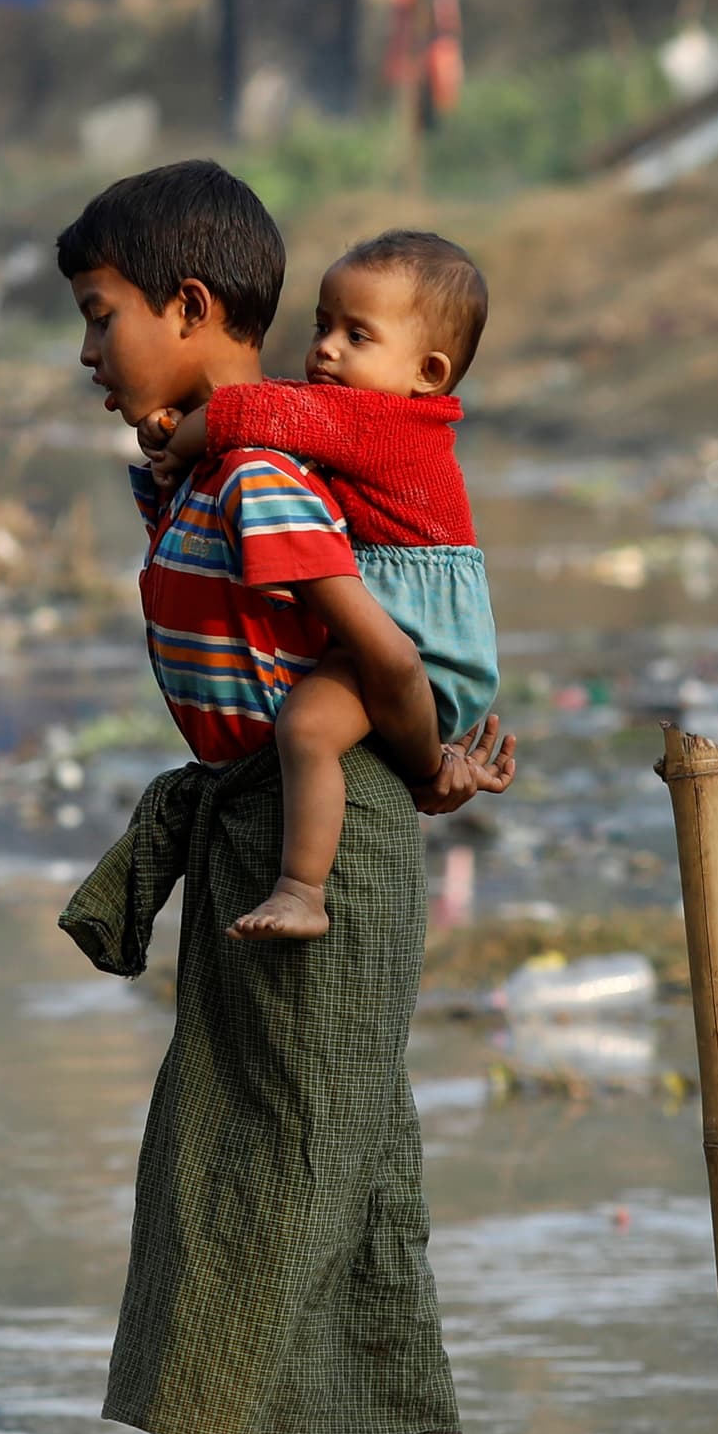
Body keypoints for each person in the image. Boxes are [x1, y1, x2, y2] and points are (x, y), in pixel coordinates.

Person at [35, 162, 513, 1434]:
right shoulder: (209, 465)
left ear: (191, 305)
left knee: (247, 1127)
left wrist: (427, 766)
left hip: (315, 821)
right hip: (267, 806)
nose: (85, 349)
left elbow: (376, 647)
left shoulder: (265, 470)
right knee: (352, 1134)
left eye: (100, 312)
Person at [145, 229, 502, 941]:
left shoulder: (381, 422)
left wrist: (181, 438)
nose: (327, 348)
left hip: (423, 640)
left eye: (357, 335)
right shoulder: (370, 416)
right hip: (413, 621)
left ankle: (302, 890)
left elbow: (252, 411)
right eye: (322, 325)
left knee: (306, 727)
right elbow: (276, 406)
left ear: (428, 372)